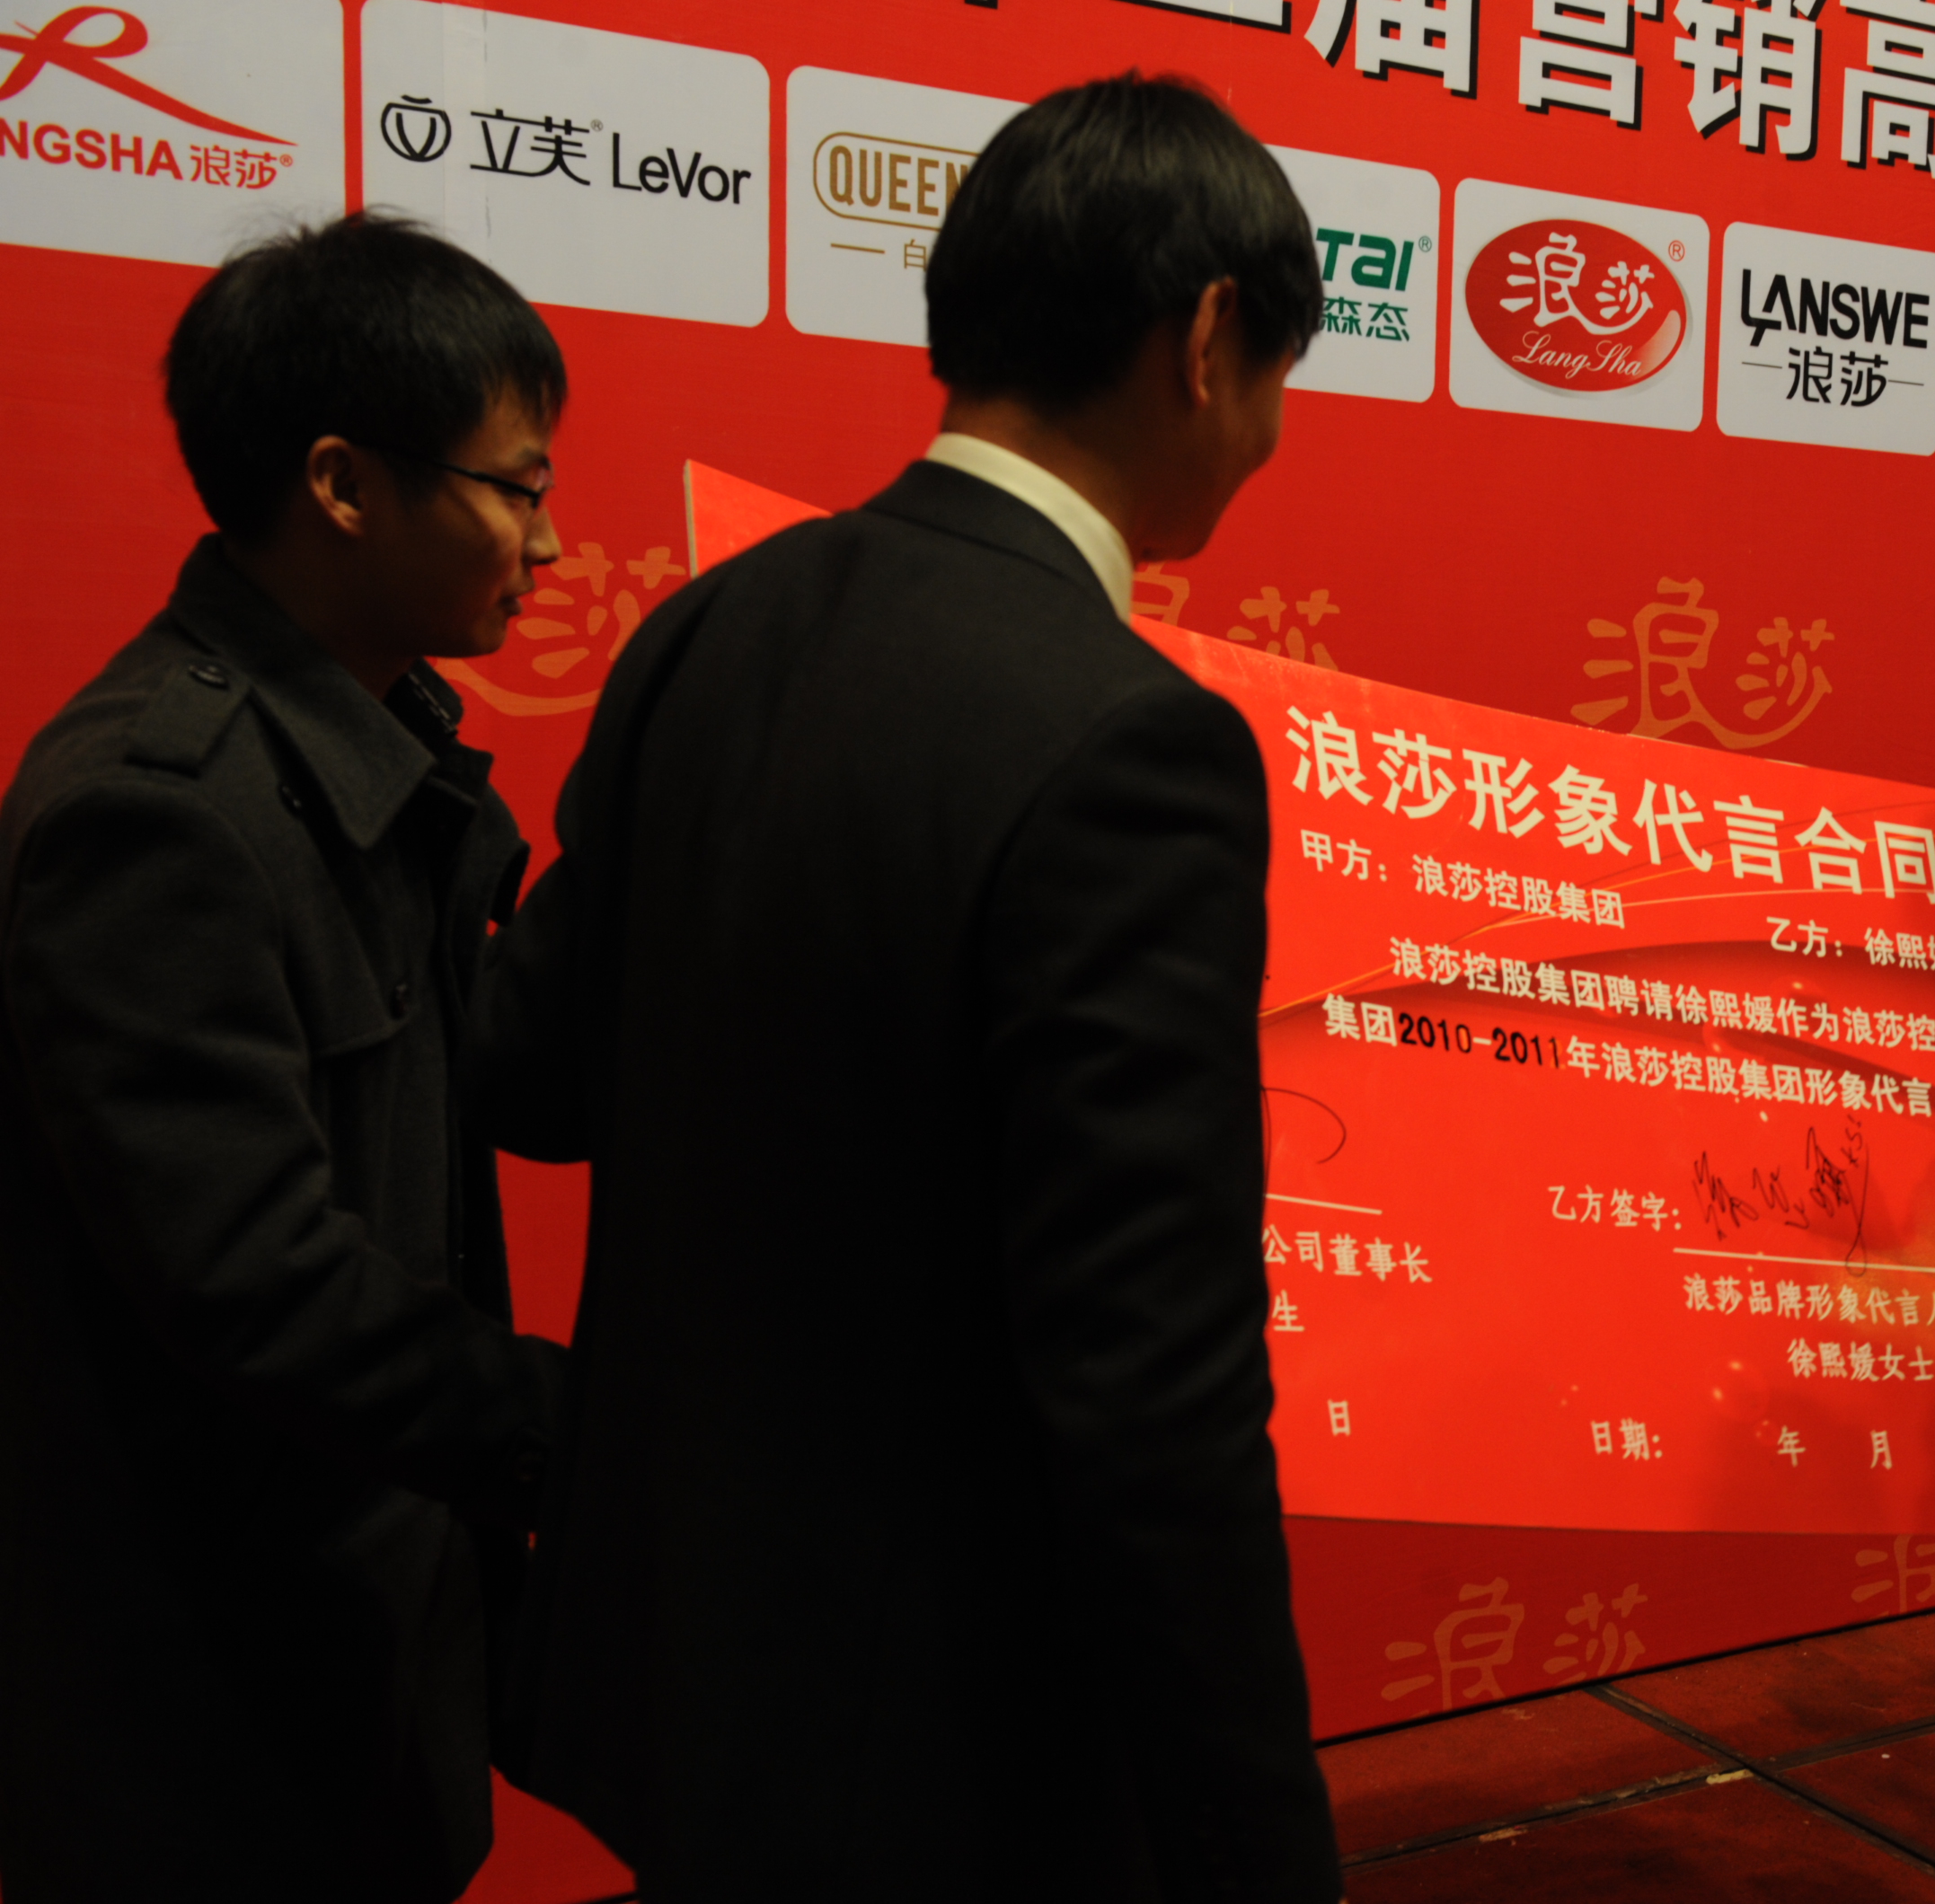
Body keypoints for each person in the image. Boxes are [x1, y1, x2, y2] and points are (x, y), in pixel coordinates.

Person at [467, 75, 1339, 1901]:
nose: (1272, 432)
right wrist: (1261, 1849)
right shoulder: (1132, 740)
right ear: (1205, 342)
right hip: (938, 1752)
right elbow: (1150, 1388)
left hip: (677, 1681)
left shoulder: (713, 622)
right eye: (1281, 372)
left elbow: (534, 1071)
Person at [0, 215, 570, 1903]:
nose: (549, 543)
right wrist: (594, 1426)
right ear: (342, 484)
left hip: (370, 1647)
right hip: (211, 1710)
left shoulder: (380, 754)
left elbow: (499, 1078)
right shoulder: (155, 809)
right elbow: (260, 1285)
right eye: (517, 487)